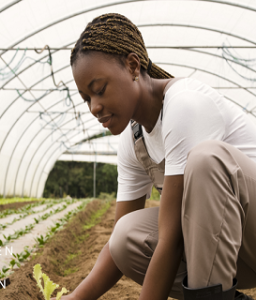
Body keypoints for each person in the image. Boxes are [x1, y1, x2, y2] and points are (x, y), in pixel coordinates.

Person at [52, 13, 256, 300]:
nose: (94, 107)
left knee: (206, 160)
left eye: (99, 90)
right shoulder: (134, 139)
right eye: (87, 98)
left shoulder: (184, 104)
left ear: (133, 66)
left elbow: (171, 239)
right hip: (235, 252)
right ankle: (221, 295)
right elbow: (117, 248)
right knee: (125, 237)